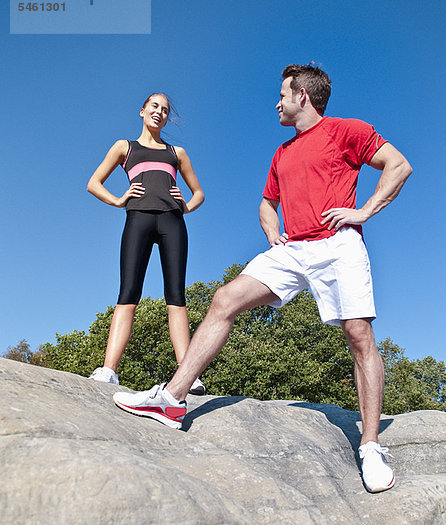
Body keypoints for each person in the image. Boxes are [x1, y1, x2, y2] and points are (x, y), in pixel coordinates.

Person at [113, 66, 412, 493]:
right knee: (224, 299)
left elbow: (398, 165)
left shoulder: (346, 130)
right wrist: (273, 231)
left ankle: (369, 445)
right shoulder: (282, 153)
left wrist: (363, 212)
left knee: (359, 333)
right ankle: (172, 400)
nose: (277, 103)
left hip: (338, 243)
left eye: (282, 95)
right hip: (293, 249)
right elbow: (267, 204)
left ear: (303, 97)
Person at [87, 93, 206, 395]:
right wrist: (117, 200)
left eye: (165, 110)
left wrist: (186, 206)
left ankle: (187, 374)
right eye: (155, 107)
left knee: (176, 297)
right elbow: (93, 182)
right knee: (128, 293)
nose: (160, 112)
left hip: (172, 224)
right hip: (137, 219)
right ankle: (109, 370)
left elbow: (199, 193)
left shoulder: (176, 152)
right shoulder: (125, 147)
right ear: (142, 111)